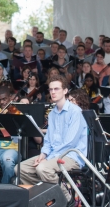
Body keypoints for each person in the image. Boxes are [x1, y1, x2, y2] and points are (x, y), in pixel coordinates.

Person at [17, 75, 87, 205]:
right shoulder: (52, 114)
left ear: (65, 91)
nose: (53, 92)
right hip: (54, 155)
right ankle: (47, 197)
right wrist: (43, 154)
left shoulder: (75, 111)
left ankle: (67, 199)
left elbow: (69, 143)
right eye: (51, 89)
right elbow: (48, 140)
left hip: (72, 156)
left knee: (42, 168)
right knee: (20, 169)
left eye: (56, 89)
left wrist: (47, 158)